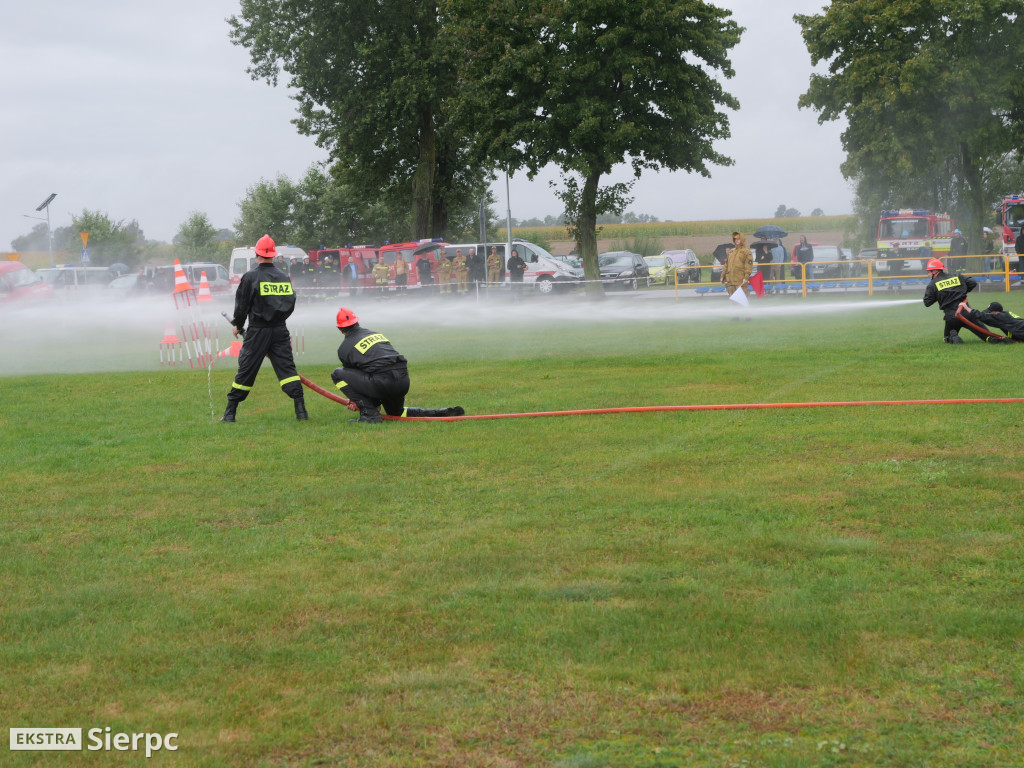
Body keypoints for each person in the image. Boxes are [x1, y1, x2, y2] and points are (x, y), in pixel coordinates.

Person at [221, 234, 307, 423]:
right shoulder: (284, 277)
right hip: (280, 330)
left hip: (258, 330)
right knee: (287, 370)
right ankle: (301, 412)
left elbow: (242, 305)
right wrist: (279, 320)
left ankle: (229, 413)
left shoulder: (251, 276)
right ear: (273, 255)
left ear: (256, 254)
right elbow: (290, 303)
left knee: (246, 369)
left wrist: (237, 324)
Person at [330, 307, 465, 423]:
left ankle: (369, 415)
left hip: (382, 383)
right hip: (402, 381)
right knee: (397, 413)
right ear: (357, 322)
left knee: (337, 374)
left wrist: (365, 404)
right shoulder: (375, 334)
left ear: (340, 329)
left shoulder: (344, 349)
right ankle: (439, 413)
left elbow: (358, 380)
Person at [922, 257, 991, 343]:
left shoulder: (932, 284)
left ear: (935, 271)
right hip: (967, 314)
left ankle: (953, 337)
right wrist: (961, 291)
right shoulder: (956, 276)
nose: (928, 275)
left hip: (952, 318)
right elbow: (973, 282)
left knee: (947, 338)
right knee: (987, 335)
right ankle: (990, 338)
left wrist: (940, 296)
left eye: (929, 272)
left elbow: (927, 302)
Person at [721, 231, 753, 297]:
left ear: (742, 239)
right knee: (733, 300)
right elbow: (726, 265)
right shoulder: (731, 251)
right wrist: (722, 275)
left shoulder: (747, 252)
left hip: (740, 281)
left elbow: (748, 267)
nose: (736, 241)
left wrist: (746, 278)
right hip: (730, 281)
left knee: (741, 300)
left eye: (738, 239)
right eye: (735, 239)